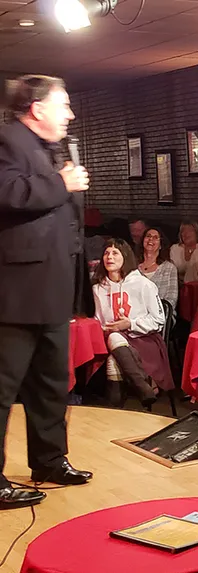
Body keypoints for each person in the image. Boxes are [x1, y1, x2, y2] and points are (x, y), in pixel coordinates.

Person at [0, 74, 93, 507]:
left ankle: (50, 460)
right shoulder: (7, 140)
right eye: (64, 105)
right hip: (16, 293)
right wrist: (62, 184)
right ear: (37, 108)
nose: (70, 114)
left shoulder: (45, 149)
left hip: (53, 290)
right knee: (1, 389)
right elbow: (6, 193)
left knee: (52, 383)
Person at [92, 239, 172, 408]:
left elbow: (158, 320)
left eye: (115, 253)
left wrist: (130, 324)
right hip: (108, 342)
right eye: (106, 253)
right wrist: (104, 328)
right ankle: (142, 383)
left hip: (143, 340)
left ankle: (114, 414)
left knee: (114, 357)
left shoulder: (143, 284)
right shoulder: (97, 289)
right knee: (114, 341)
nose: (109, 257)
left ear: (125, 257)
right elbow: (94, 320)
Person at [137, 227, 178, 311]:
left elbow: (172, 299)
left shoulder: (169, 268)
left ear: (160, 245)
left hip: (160, 314)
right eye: (148, 236)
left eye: (155, 237)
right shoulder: (133, 266)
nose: (151, 239)